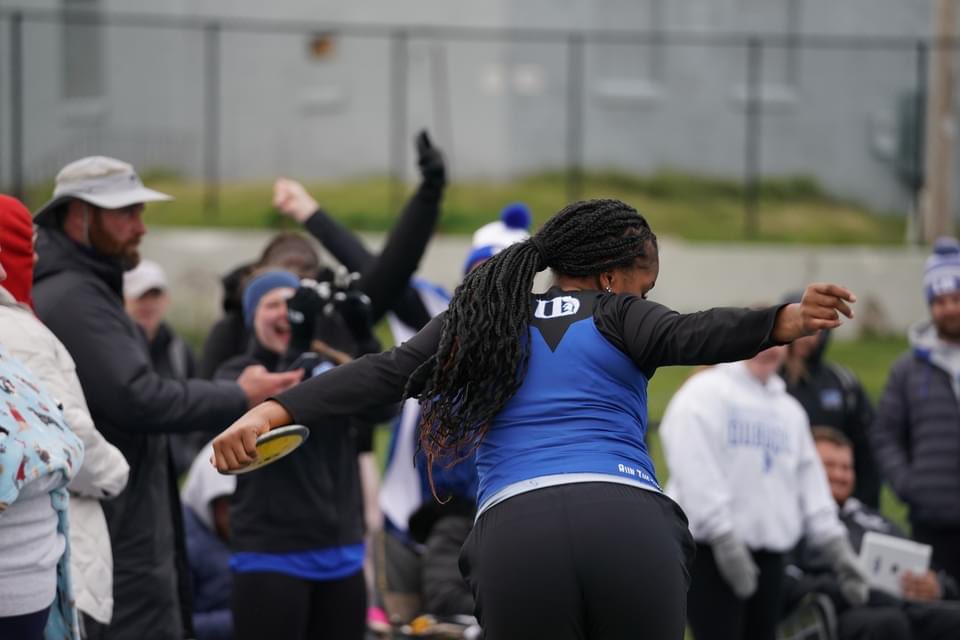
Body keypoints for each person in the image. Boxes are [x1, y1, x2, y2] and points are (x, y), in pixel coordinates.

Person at [212, 198, 861, 640]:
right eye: (644, 285)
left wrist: (273, 408)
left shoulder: (483, 322)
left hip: (517, 533)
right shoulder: (620, 314)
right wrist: (781, 319)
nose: (646, 298)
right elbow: (695, 334)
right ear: (610, 278)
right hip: (628, 524)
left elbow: (384, 371)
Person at [31, 156, 302, 639]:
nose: (140, 227)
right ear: (77, 216)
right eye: (125, 214)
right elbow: (139, 398)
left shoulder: (85, 288)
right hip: (119, 527)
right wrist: (239, 393)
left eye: (140, 212)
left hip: (124, 520)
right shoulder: (76, 298)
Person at [215, 269, 387, 640]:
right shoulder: (237, 375)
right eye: (271, 304)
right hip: (271, 556)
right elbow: (276, 413)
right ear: (251, 317)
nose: (284, 312)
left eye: (292, 304)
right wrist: (299, 347)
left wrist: (364, 337)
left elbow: (383, 409)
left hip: (341, 553)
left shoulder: (329, 368)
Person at [199, 130, 446, 378]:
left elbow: (390, 270)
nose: (287, 312)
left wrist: (429, 192)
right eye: (273, 302)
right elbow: (208, 400)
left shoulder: (335, 320)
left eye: (295, 295)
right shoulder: (232, 335)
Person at [660, 346, 867, 640]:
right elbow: (693, 466)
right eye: (759, 341)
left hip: (770, 556)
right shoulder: (703, 394)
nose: (767, 350)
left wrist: (838, 550)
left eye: (776, 342)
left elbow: (810, 483)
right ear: (741, 341)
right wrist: (723, 537)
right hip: (711, 552)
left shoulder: (788, 410)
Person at [0, 195, 130, 635]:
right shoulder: (18, 333)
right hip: (34, 566)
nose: (35, 257)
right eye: (26, 245)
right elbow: (59, 437)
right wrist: (113, 473)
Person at [783, 426, 960, 640]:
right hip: (843, 611)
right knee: (889, 622)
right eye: (829, 466)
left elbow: (937, 573)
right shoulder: (791, 519)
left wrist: (936, 587)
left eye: (846, 468)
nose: (839, 475)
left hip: (907, 606)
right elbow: (787, 584)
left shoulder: (875, 520)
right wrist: (849, 589)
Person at [871, 237, 960, 583]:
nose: (949, 308)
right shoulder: (907, 370)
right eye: (939, 301)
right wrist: (910, 485)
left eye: (956, 299)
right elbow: (884, 435)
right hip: (931, 520)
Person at [780, 291, 881, 508]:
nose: (804, 335)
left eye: (812, 327)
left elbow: (867, 452)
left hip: (832, 499)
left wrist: (864, 506)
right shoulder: (768, 381)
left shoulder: (843, 383)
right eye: (797, 324)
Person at [124, 258, 204, 476]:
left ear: (166, 299)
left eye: (155, 295)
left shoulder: (180, 350)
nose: (149, 304)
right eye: (141, 297)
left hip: (177, 471)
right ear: (124, 300)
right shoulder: (117, 352)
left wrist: (188, 455)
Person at [181, 442, 236, 640]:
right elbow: (176, 624)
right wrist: (239, 621)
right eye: (226, 503)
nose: (233, 514)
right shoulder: (183, 544)